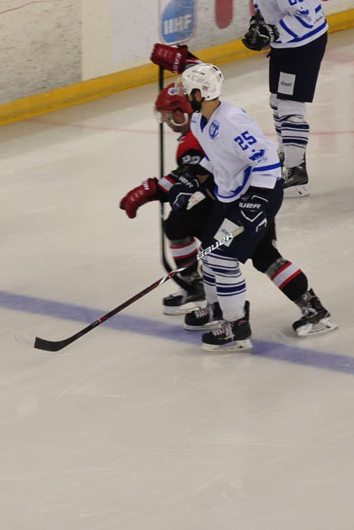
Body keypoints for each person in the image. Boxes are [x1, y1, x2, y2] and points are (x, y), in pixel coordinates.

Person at [176, 63, 337, 352]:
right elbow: (217, 157)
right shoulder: (201, 120)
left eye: (188, 92)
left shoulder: (232, 121)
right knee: (230, 254)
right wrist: (191, 179)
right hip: (232, 196)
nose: (184, 97)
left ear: (199, 93)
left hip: (258, 195)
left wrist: (257, 202)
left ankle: (237, 328)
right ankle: (222, 310)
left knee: (222, 260)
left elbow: (266, 159)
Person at [238, 0, 326, 196]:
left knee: (290, 106)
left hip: (304, 44)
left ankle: (297, 170)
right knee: (276, 102)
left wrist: (272, 33)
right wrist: (259, 22)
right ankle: (287, 157)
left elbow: (306, 17)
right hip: (285, 44)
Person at [119, 84, 212, 314]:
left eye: (169, 117)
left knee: (177, 224)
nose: (167, 123)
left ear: (181, 113)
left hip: (224, 199)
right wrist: (152, 189)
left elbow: (189, 177)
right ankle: (197, 286)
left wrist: (152, 190)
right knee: (177, 223)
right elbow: (186, 175)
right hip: (230, 194)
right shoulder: (201, 126)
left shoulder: (192, 141)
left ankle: (197, 288)